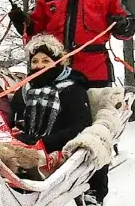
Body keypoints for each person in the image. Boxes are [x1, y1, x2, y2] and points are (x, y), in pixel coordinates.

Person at [8, 0, 135, 204]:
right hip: (55, 70)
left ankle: (95, 187)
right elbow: (35, 32)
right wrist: (23, 23)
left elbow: (126, 28)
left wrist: (124, 25)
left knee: (94, 127)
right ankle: (56, 175)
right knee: (56, 121)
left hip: (93, 68)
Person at [9, 34, 92, 167]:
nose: (39, 66)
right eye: (34, 61)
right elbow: (10, 118)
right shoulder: (24, 91)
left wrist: (43, 141)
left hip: (59, 151)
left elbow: (80, 126)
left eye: (46, 61)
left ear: (58, 62)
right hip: (22, 149)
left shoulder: (73, 89)